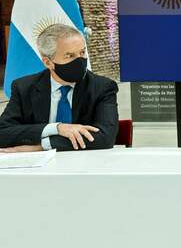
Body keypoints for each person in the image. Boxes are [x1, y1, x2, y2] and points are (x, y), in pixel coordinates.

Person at [0, 23, 118, 152]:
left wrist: (42, 146)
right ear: (48, 62)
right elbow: (3, 132)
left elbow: (106, 137)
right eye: (70, 55)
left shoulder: (102, 87)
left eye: (82, 52)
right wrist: (57, 128)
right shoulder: (24, 88)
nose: (80, 60)